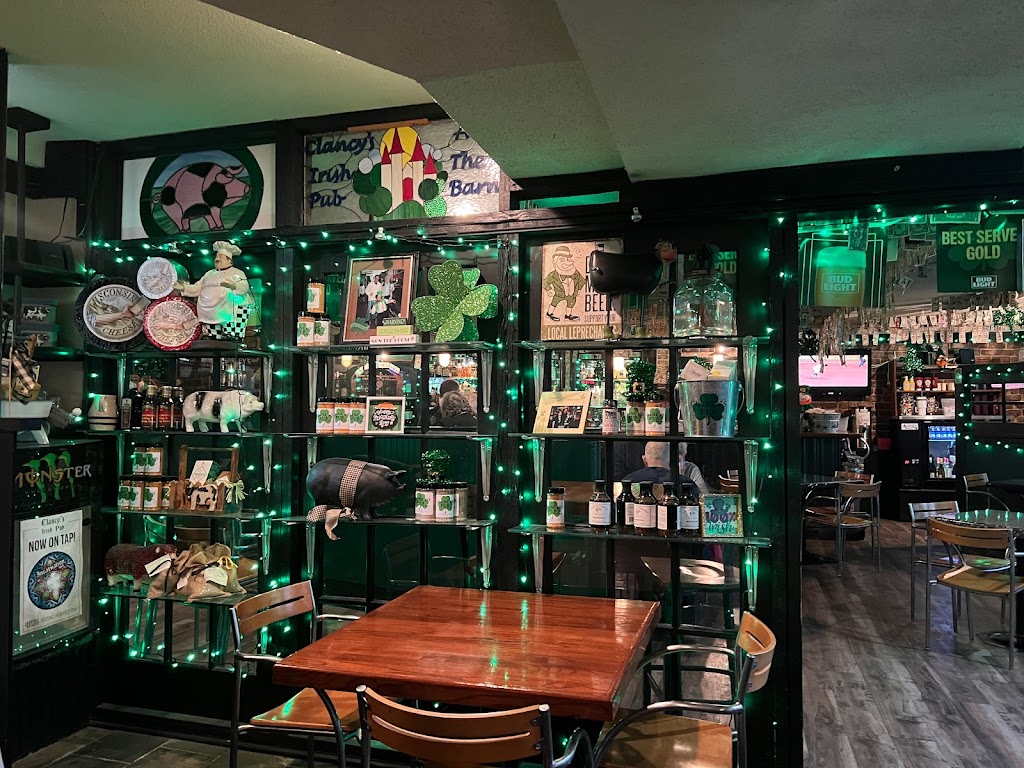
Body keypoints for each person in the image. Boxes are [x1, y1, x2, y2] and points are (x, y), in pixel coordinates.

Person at [174, 241, 251, 328]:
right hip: (209, 312)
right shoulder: (209, 273)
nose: (217, 259)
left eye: (221, 257)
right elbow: (198, 287)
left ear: (229, 260)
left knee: (232, 332)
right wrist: (183, 288)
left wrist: (234, 286)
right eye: (217, 256)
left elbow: (245, 287)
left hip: (231, 310)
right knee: (213, 332)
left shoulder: (236, 272)